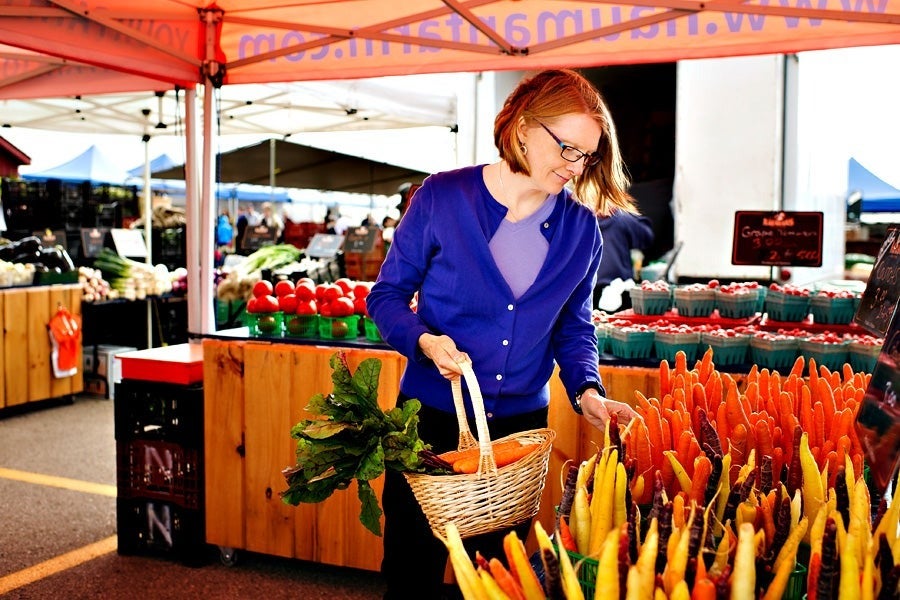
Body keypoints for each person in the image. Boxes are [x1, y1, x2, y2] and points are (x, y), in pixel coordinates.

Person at [366, 68, 642, 600]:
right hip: (428, 425)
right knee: (410, 569)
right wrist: (423, 341)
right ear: (521, 127)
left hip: (518, 433)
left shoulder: (581, 228)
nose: (575, 166)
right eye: (566, 147)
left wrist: (588, 391)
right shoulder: (442, 199)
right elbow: (387, 297)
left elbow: (574, 324)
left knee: (499, 581)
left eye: (586, 155)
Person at [594, 209, 655, 311]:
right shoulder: (621, 218)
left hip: (585, 293)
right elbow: (646, 237)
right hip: (619, 291)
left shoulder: (576, 220)